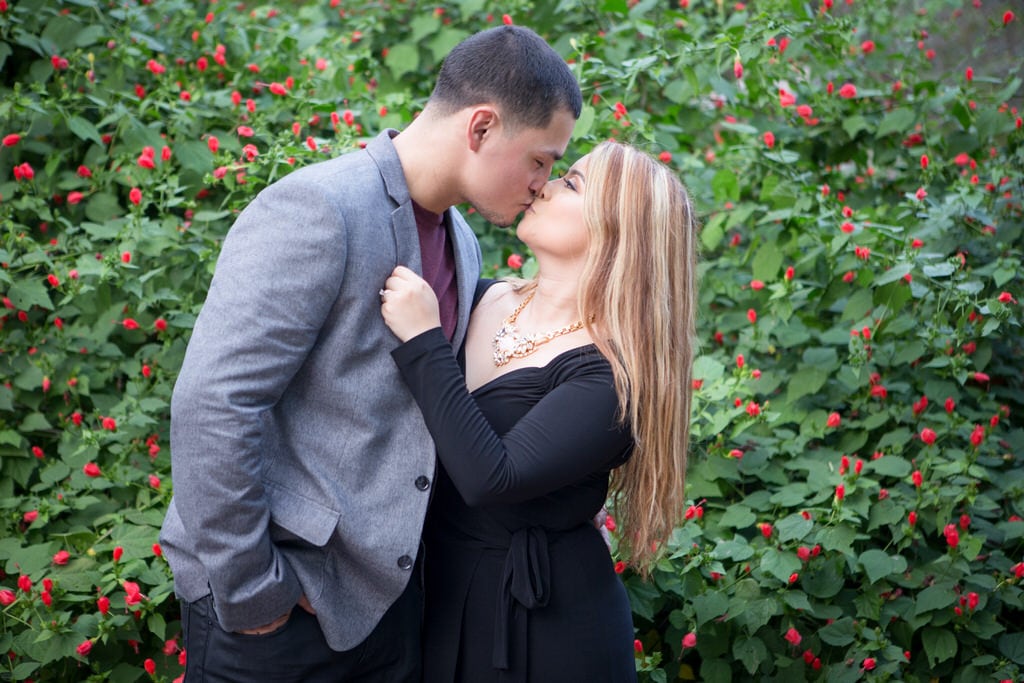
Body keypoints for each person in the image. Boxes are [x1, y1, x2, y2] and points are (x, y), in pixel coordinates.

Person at [159, 25, 582, 682]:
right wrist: (255, 593)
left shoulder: (463, 242)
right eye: (541, 159)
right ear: (480, 129)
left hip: (389, 615)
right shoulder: (321, 206)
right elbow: (213, 402)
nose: (543, 183)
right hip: (279, 616)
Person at [380, 140, 699, 682]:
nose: (543, 185)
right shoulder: (479, 296)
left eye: (571, 183)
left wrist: (424, 342)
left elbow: (492, 477)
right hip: (435, 586)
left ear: (619, 230)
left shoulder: (614, 376)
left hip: (541, 626)